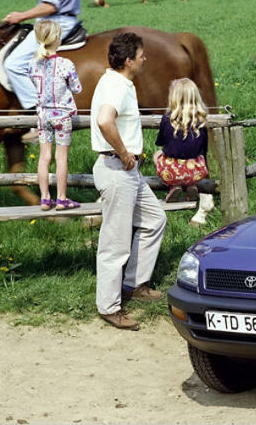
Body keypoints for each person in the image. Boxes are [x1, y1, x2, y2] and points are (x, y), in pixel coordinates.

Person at [91, 32, 167, 331]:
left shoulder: (117, 81)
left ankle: (134, 283)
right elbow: (104, 121)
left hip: (126, 170)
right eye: (141, 54)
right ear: (128, 60)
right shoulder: (116, 86)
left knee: (154, 219)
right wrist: (124, 153)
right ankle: (109, 307)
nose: (144, 58)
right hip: (117, 168)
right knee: (115, 243)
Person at [2, 0, 81, 141]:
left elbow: (50, 5)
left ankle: (41, 119)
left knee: (14, 64)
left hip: (57, 21)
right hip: (59, 18)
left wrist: (21, 16)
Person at [30, 19, 83, 211]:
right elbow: (77, 88)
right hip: (62, 116)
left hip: (43, 115)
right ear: (57, 39)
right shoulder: (66, 64)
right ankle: (61, 198)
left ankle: (45, 198)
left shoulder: (33, 65)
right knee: (61, 158)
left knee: (44, 157)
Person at [153, 78, 210, 203]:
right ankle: (191, 186)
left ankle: (173, 187)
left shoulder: (167, 119)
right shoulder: (201, 120)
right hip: (196, 171)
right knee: (195, 158)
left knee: (157, 154)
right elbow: (204, 148)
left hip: (171, 171)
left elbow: (160, 142)